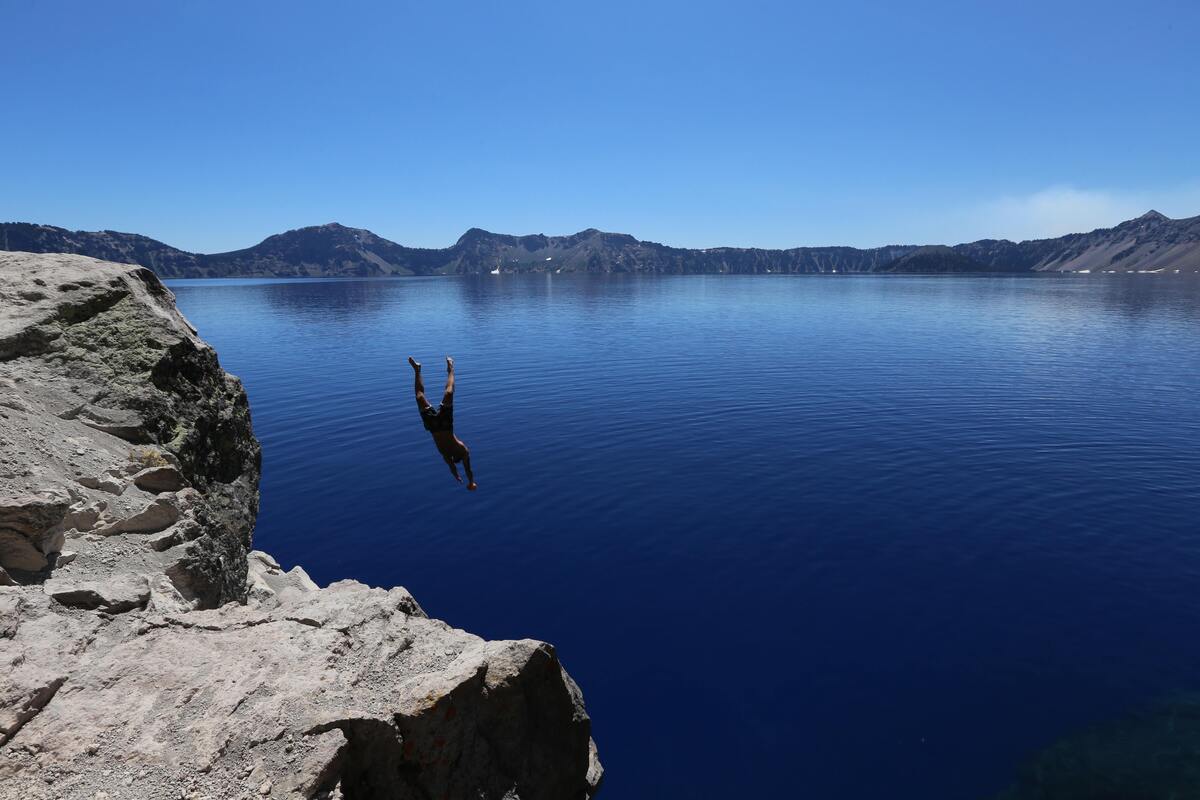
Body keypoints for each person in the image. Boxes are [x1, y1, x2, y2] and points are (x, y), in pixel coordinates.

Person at [409, 356, 476, 490]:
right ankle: (450, 368)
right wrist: (471, 481)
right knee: (449, 393)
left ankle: (417, 369)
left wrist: (456, 476)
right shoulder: (463, 451)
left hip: (432, 426)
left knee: (419, 396)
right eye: (456, 459)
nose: (454, 459)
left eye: (453, 460)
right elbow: (468, 469)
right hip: (445, 425)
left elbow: (452, 468)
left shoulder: (446, 455)